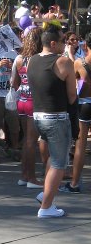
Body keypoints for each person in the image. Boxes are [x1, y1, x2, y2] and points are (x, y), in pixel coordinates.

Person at [27, 26, 77, 218]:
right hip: (56, 117)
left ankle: (45, 195)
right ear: (54, 43)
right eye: (64, 41)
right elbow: (72, 95)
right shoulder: (63, 62)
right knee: (59, 163)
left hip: (39, 116)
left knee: (52, 159)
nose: (66, 44)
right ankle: (46, 207)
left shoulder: (32, 60)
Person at [11, 27, 43, 188]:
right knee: (31, 141)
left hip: (22, 101)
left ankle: (24, 175)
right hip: (34, 102)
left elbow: (14, 83)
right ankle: (31, 178)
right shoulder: (38, 59)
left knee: (26, 140)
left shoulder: (19, 59)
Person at [64, 32, 91, 193]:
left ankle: (74, 183)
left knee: (81, 144)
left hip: (85, 104)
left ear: (85, 45)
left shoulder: (80, 63)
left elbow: (74, 82)